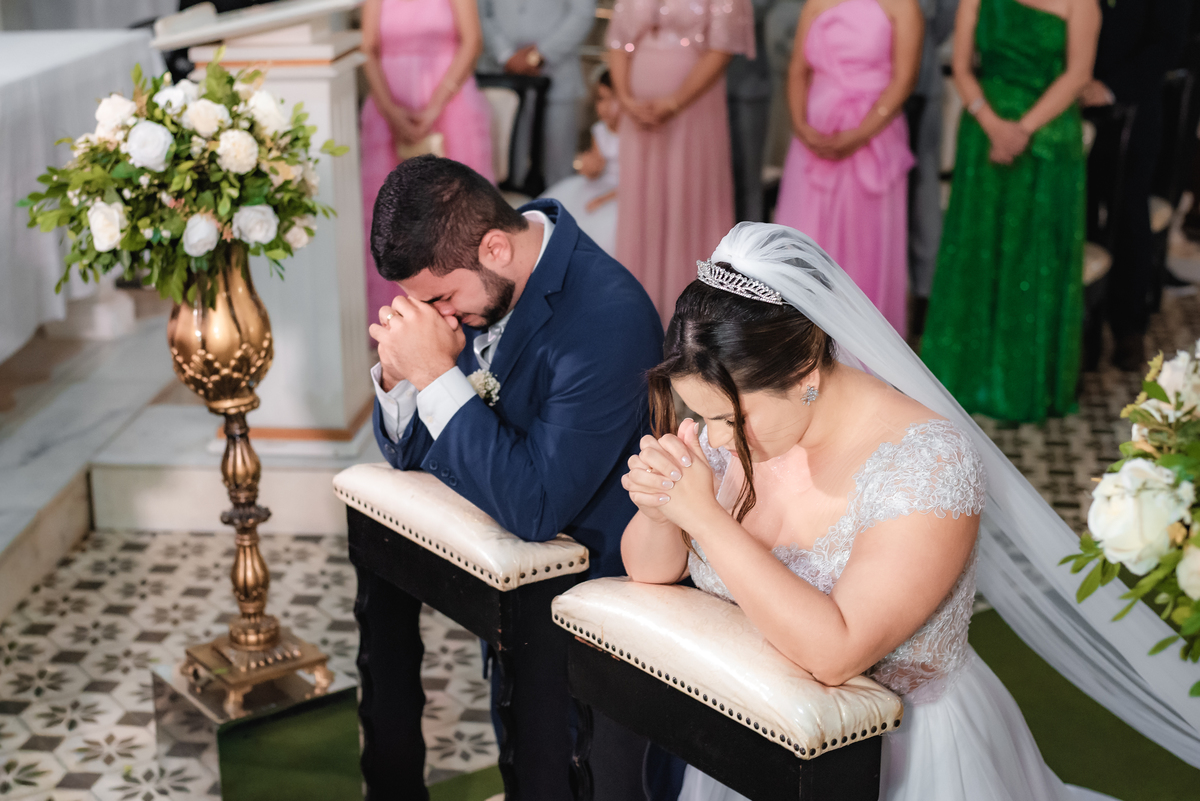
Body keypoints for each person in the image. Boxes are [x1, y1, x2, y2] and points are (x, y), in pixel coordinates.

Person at [619, 222, 1121, 800]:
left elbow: (837, 652)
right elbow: (648, 571)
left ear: (804, 376)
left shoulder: (926, 463)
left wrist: (704, 517)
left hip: (903, 757)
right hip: (755, 724)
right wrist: (662, 508)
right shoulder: (737, 426)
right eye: (705, 417)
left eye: (733, 419)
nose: (719, 439)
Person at [357, 156, 662, 800]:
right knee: (524, 763)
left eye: (441, 297)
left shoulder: (607, 316)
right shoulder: (483, 282)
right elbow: (414, 451)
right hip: (512, 595)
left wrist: (438, 377)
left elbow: (536, 505)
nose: (441, 315)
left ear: (494, 246)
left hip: (597, 611)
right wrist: (398, 378)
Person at [920, 0, 1099, 422]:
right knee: (977, 251)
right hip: (985, 134)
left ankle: (1022, 383)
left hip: (1048, 142)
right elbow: (962, 69)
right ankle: (964, 375)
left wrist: (1023, 129)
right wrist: (993, 124)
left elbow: (1078, 75)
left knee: (1032, 259)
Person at [773, 0, 924, 334]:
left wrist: (858, 135)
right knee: (805, 235)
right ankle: (796, 346)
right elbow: (798, 69)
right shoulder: (816, 3)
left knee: (863, 245)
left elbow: (904, 80)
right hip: (813, 139)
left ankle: (859, 352)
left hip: (872, 138)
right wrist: (801, 126)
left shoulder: (903, 7)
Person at [608, 0, 756, 324]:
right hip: (638, 116)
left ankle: (693, 316)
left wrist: (674, 102)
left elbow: (722, 48)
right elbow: (617, 41)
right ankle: (636, 311)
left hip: (692, 111)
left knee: (687, 200)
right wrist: (626, 99)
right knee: (642, 205)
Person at [359, 0, 494, 320]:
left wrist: (434, 107)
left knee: (454, 214)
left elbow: (472, 41)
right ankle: (402, 319)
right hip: (388, 105)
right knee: (395, 218)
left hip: (450, 104)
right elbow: (368, 48)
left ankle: (467, 312)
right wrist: (390, 112)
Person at [1081, 0, 1191, 371]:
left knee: (1129, 214)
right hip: (1069, 103)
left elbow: (1168, 44)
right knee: (1075, 212)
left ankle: (1129, 327)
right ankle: (1078, 329)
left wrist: (1109, 88)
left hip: (1134, 112)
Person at [478, 0, 596, 188]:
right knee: (501, 162)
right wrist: (505, 54)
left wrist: (541, 54)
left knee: (558, 168)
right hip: (500, 75)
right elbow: (480, 11)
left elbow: (582, 13)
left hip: (558, 74)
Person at [906, 0, 959, 344]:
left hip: (919, 86)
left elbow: (942, 22)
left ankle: (926, 293)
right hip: (857, 89)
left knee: (922, 190)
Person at [539, 70, 621, 256]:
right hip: (597, 185)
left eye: (613, 99)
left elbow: (636, 181)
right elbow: (595, 168)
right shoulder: (600, 130)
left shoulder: (635, 138)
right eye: (601, 99)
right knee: (558, 216)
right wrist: (589, 167)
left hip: (620, 193)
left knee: (601, 227)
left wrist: (602, 199)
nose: (605, 107)